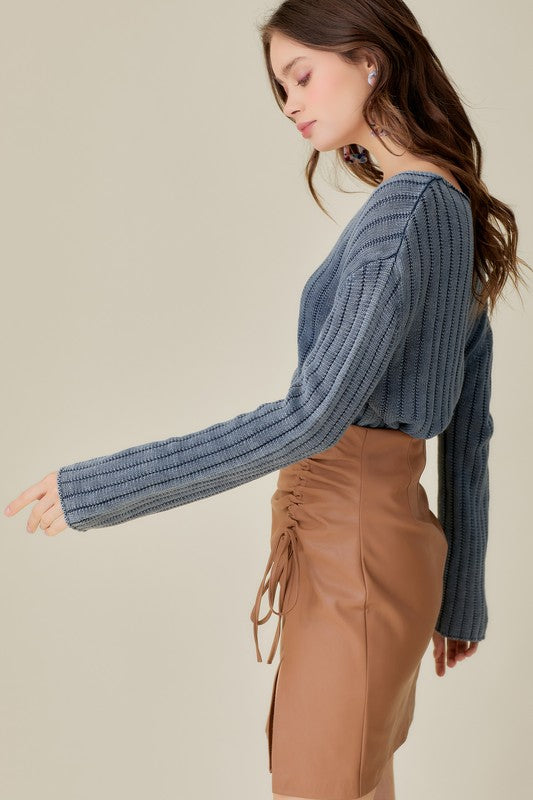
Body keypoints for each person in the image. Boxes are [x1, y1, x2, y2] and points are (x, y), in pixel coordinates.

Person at [4, 1, 530, 799]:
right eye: (280, 87)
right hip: (370, 544)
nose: (289, 102)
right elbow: (471, 427)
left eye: (301, 76)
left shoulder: (405, 211)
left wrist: (96, 488)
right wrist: (459, 597)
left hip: (352, 541)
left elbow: (311, 416)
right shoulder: (445, 203)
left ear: (371, 60)